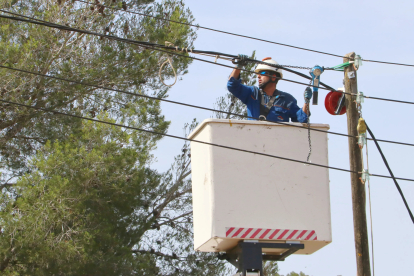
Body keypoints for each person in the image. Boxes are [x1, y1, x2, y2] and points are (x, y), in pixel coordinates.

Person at [227, 56, 312, 123]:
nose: (258, 76)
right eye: (258, 74)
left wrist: (306, 102)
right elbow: (232, 86)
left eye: (262, 73)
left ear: (273, 77)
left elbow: (301, 119)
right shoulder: (252, 93)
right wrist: (239, 66)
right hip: (254, 141)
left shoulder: (287, 100)